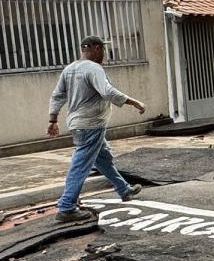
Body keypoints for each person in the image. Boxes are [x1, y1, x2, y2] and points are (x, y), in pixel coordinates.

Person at [47, 35, 147, 222]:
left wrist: (53, 119)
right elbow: (107, 91)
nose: (104, 54)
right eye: (102, 49)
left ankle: (124, 189)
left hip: (78, 123)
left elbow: (57, 95)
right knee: (81, 164)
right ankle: (66, 207)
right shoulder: (94, 68)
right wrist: (135, 102)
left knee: (103, 158)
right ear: (96, 49)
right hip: (91, 125)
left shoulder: (70, 69)